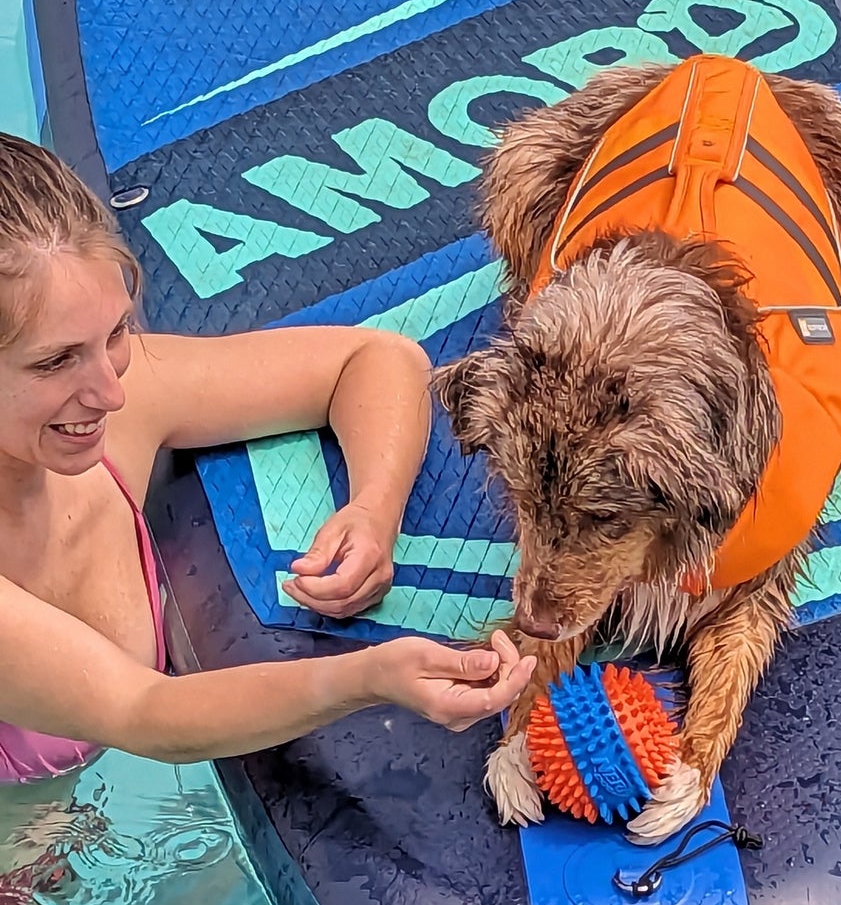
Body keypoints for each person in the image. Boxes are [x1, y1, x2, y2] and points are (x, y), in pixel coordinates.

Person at [0, 134, 535, 784]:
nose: (111, 391)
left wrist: (373, 507)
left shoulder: (124, 397)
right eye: (57, 360)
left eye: (114, 332)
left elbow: (373, 361)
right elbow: (146, 711)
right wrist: (369, 676)